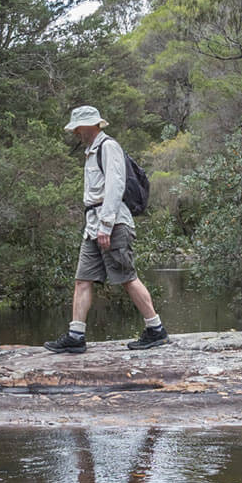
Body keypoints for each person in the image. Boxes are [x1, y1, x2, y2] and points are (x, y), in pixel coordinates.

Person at [43, 106, 168, 353]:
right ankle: (75, 335)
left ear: (89, 126)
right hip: (93, 225)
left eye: (78, 127)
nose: (76, 132)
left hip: (111, 224)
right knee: (82, 279)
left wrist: (107, 224)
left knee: (126, 277)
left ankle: (156, 329)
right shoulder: (91, 151)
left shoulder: (108, 147)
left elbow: (115, 185)